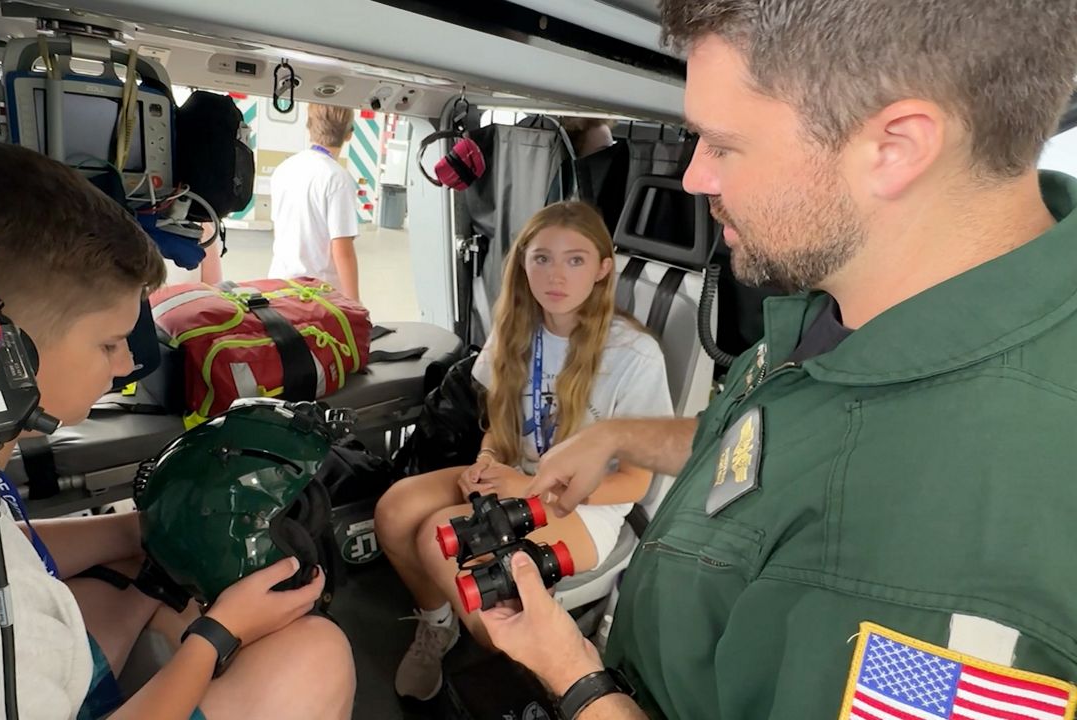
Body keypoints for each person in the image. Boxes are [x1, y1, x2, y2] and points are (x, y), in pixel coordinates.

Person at [478, 1, 1077, 718]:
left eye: (723, 146)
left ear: (897, 147)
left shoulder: (957, 556)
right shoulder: (854, 307)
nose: (696, 178)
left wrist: (572, 673)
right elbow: (762, 445)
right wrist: (614, 437)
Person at [0, 142, 355, 719]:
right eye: (109, 344)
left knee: (130, 575)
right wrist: (216, 633)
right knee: (318, 653)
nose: (121, 367)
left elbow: (7, 546)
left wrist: (137, 532)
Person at [374, 201, 672, 701]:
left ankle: (518, 662)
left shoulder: (634, 356)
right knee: (393, 509)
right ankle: (437, 624)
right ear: (522, 263)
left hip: (586, 507)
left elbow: (636, 483)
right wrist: (488, 461)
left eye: (575, 260)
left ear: (602, 269)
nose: (556, 275)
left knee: (436, 536)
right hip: (515, 476)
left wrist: (529, 487)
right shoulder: (517, 328)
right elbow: (500, 428)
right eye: (542, 258)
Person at [268, 103, 361, 301]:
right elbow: (342, 249)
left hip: (279, 288)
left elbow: (280, 231)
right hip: (317, 296)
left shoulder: (284, 168)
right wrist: (355, 304)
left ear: (309, 127)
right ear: (349, 134)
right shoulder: (338, 178)